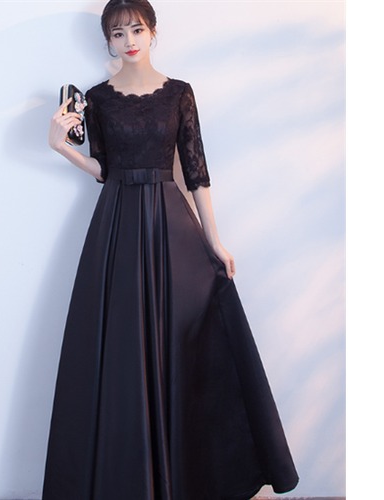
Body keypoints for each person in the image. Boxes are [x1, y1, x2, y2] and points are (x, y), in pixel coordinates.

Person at [42, 1, 299, 499]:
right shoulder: (97, 99)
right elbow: (104, 169)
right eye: (118, 33)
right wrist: (62, 148)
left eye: (137, 29)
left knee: (187, 339)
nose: (129, 40)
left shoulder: (180, 93)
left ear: (154, 33)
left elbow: (196, 171)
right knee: (121, 348)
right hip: (117, 225)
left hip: (170, 221)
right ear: (107, 41)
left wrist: (213, 240)